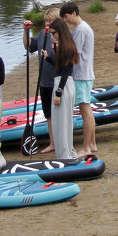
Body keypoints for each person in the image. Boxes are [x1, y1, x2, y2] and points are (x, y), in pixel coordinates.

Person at [60, 2, 97, 155]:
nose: (65, 20)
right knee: (86, 109)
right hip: (85, 73)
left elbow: (75, 54)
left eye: (66, 17)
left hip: (82, 75)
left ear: (74, 13)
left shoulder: (81, 29)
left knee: (85, 109)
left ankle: (86, 147)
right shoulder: (82, 28)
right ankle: (93, 144)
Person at [23, 7, 60, 150]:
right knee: (48, 115)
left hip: (57, 81)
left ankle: (62, 141)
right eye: (46, 21)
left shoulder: (63, 36)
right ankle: (53, 143)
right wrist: (26, 31)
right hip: (44, 82)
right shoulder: (42, 35)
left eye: (50, 21)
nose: (47, 24)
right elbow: (28, 45)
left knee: (59, 114)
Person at [47, 18, 79, 161]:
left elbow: (65, 71)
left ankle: (64, 156)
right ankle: (69, 153)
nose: (51, 36)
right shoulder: (67, 45)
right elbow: (62, 66)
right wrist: (49, 57)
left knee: (60, 124)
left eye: (53, 33)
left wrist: (58, 92)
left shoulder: (65, 47)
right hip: (68, 85)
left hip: (63, 85)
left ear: (59, 32)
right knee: (66, 122)